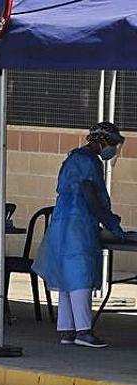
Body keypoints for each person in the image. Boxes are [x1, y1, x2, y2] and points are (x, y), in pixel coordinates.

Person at [33, 122, 130, 348]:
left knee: (67, 278)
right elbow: (90, 194)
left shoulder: (73, 158)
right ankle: (84, 331)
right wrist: (110, 221)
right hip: (78, 225)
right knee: (81, 276)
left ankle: (67, 330)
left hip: (62, 224)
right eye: (113, 144)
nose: (114, 149)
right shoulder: (88, 162)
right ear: (103, 141)